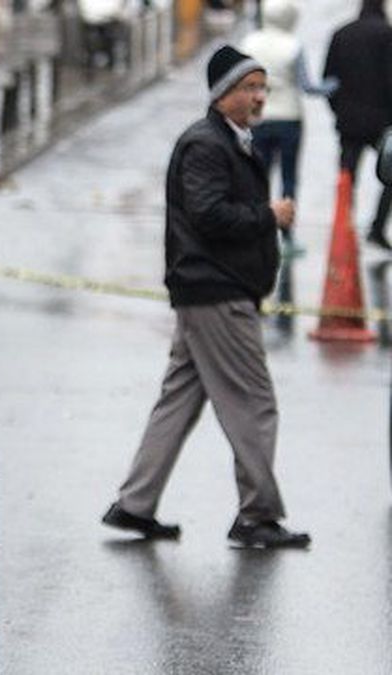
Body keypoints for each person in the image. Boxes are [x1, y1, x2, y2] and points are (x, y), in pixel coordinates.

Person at [101, 46, 310, 549]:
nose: (259, 97)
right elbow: (209, 215)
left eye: (262, 87)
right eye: (249, 88)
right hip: (216, 291)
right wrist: (270, 216)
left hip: (207, 290)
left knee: (179, 400)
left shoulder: (230, 141)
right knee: (254, 402)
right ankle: (257, 515)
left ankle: (134, 504)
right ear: (223, 95)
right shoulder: (206, 145)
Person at [241, 0, 336, 251]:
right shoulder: (293, 46)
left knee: (258, 177)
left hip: (258, 118)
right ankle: (287, 232)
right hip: (290, 119)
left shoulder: (250, 43)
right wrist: (332, 86)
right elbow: (307, 86)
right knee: (289, 178)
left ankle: (257, 230)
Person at [323, 0, 392, 250]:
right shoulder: (387, 35)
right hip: (381, 122)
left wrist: (338, 110)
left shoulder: (341, 34)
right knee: (390, 173)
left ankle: (345, 226)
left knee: (347, 175)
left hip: (349, 121)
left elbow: (329, 80)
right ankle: (378, 226)